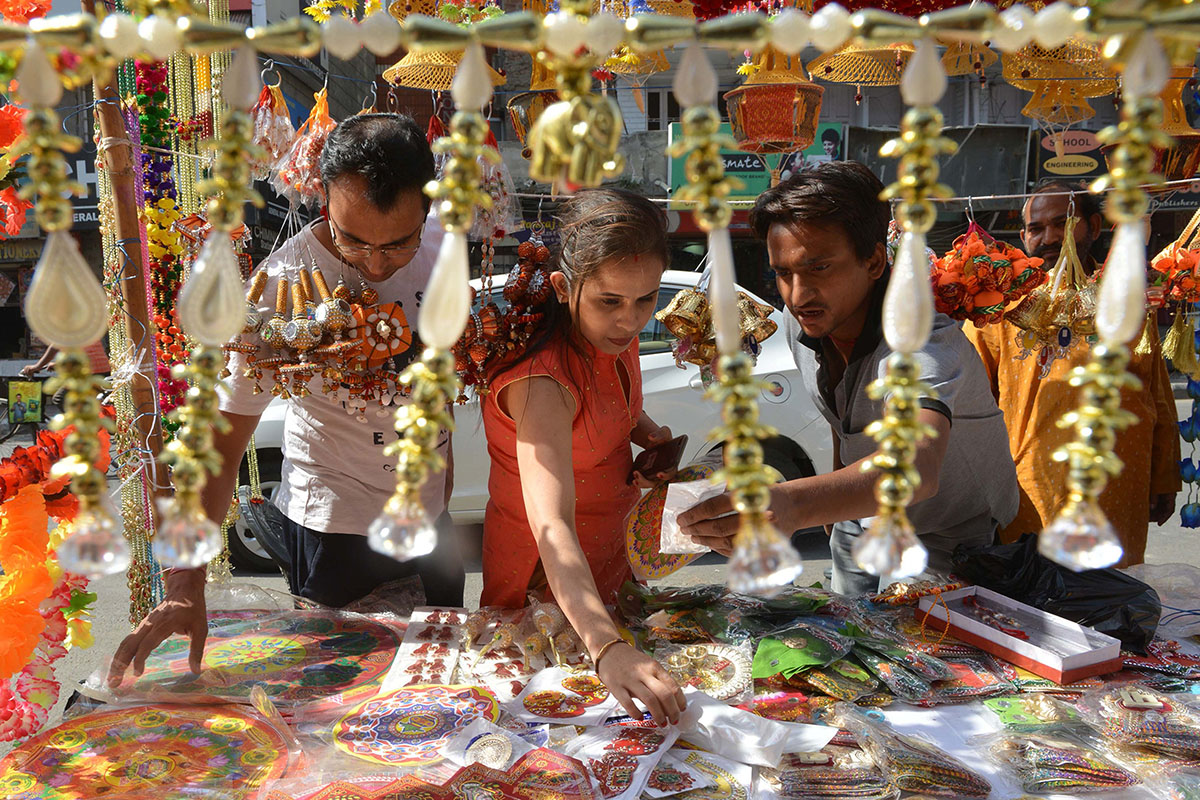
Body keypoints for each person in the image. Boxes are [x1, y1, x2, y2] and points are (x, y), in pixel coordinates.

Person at [107, 113, 465, 685]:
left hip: (432, 519)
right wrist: (186, 582)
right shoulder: (280, 286)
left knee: (438, 682)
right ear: (324, 200)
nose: (375, 264)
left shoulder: (446, 250)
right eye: (354, 240)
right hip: (336, 531)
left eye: (398, 243)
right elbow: (222, 447)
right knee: (345, 694)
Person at [679, 161, 1019, 595]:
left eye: (819, 268)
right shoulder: (800, 322)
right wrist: (833, 513)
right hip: (861, 519)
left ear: (874, 260)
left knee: (917, 656)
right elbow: (845, 423)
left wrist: (795, 505)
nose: (798, 295)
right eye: (783, 273)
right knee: (845, 640)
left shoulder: (923, 343)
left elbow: (915, 467)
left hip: (949, 534)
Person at [481, 188, 686, 726]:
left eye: (647, 299)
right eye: (611, 302)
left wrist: (649, 436)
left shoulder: (615, 338)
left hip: (609, 556)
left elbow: (615, 405)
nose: (632, 319)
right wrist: (606, 646)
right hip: (545, 580)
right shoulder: (542, 382)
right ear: (563, 289)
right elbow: (551, 525)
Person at [964, 179, 1180, 566]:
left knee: (1109, 606)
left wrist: (1164, 475)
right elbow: (969, 401)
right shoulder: (1002, 304)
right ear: (1023, 235)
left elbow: (1155, 389)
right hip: (1029, 486)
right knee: (1033, 608)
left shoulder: (1127, 296)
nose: (1048, 238)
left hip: (1116, 485)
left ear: (1094, 227)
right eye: (1035, 227)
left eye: (1062, 223)